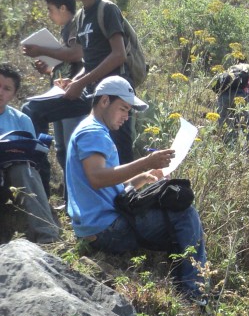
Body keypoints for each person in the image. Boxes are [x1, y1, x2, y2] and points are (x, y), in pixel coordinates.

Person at [67, 76, 207, 302]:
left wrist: (142, 177)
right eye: (123, 108)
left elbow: (105, 185)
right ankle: (195, 294)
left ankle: (184, 284)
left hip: (98, 225)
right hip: (107, 229)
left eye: (128, 110)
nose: (126, 116)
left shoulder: (92, 131)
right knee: (185, 214)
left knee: (176, 221)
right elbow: (96, 178)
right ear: (104, 101)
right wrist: (146, 162)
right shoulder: (92, 132)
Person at [23, 0, 135, 172]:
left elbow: (118, 55)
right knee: (32, 110)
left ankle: (130, 198)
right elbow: (89, 61)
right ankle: (40, 175)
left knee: (120, 153)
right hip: (90, 93)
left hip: (115, 93)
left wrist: (80, 82)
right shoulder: (81, 17)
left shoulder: (107, 9)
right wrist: (73, 81)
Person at [22, 0, 85, 197]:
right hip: (60, 91)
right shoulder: (66, 29)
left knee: (70, 149)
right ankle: (68, 197)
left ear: (63, 8)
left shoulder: (76, 25)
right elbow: (68, 63)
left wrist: (42, 50)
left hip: (72, 95)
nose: (49, 15)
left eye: (51, 10)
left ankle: (74, 199)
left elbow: (76, 55)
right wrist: (49, 69)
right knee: (61, 149)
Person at [0, 63, 60, 244]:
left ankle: (48, 237)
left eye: (6, 88)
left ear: (14, 94)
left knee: (22, 167)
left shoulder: (21, 120)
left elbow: (33, 157)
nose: (0, 92)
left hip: (13, 182)